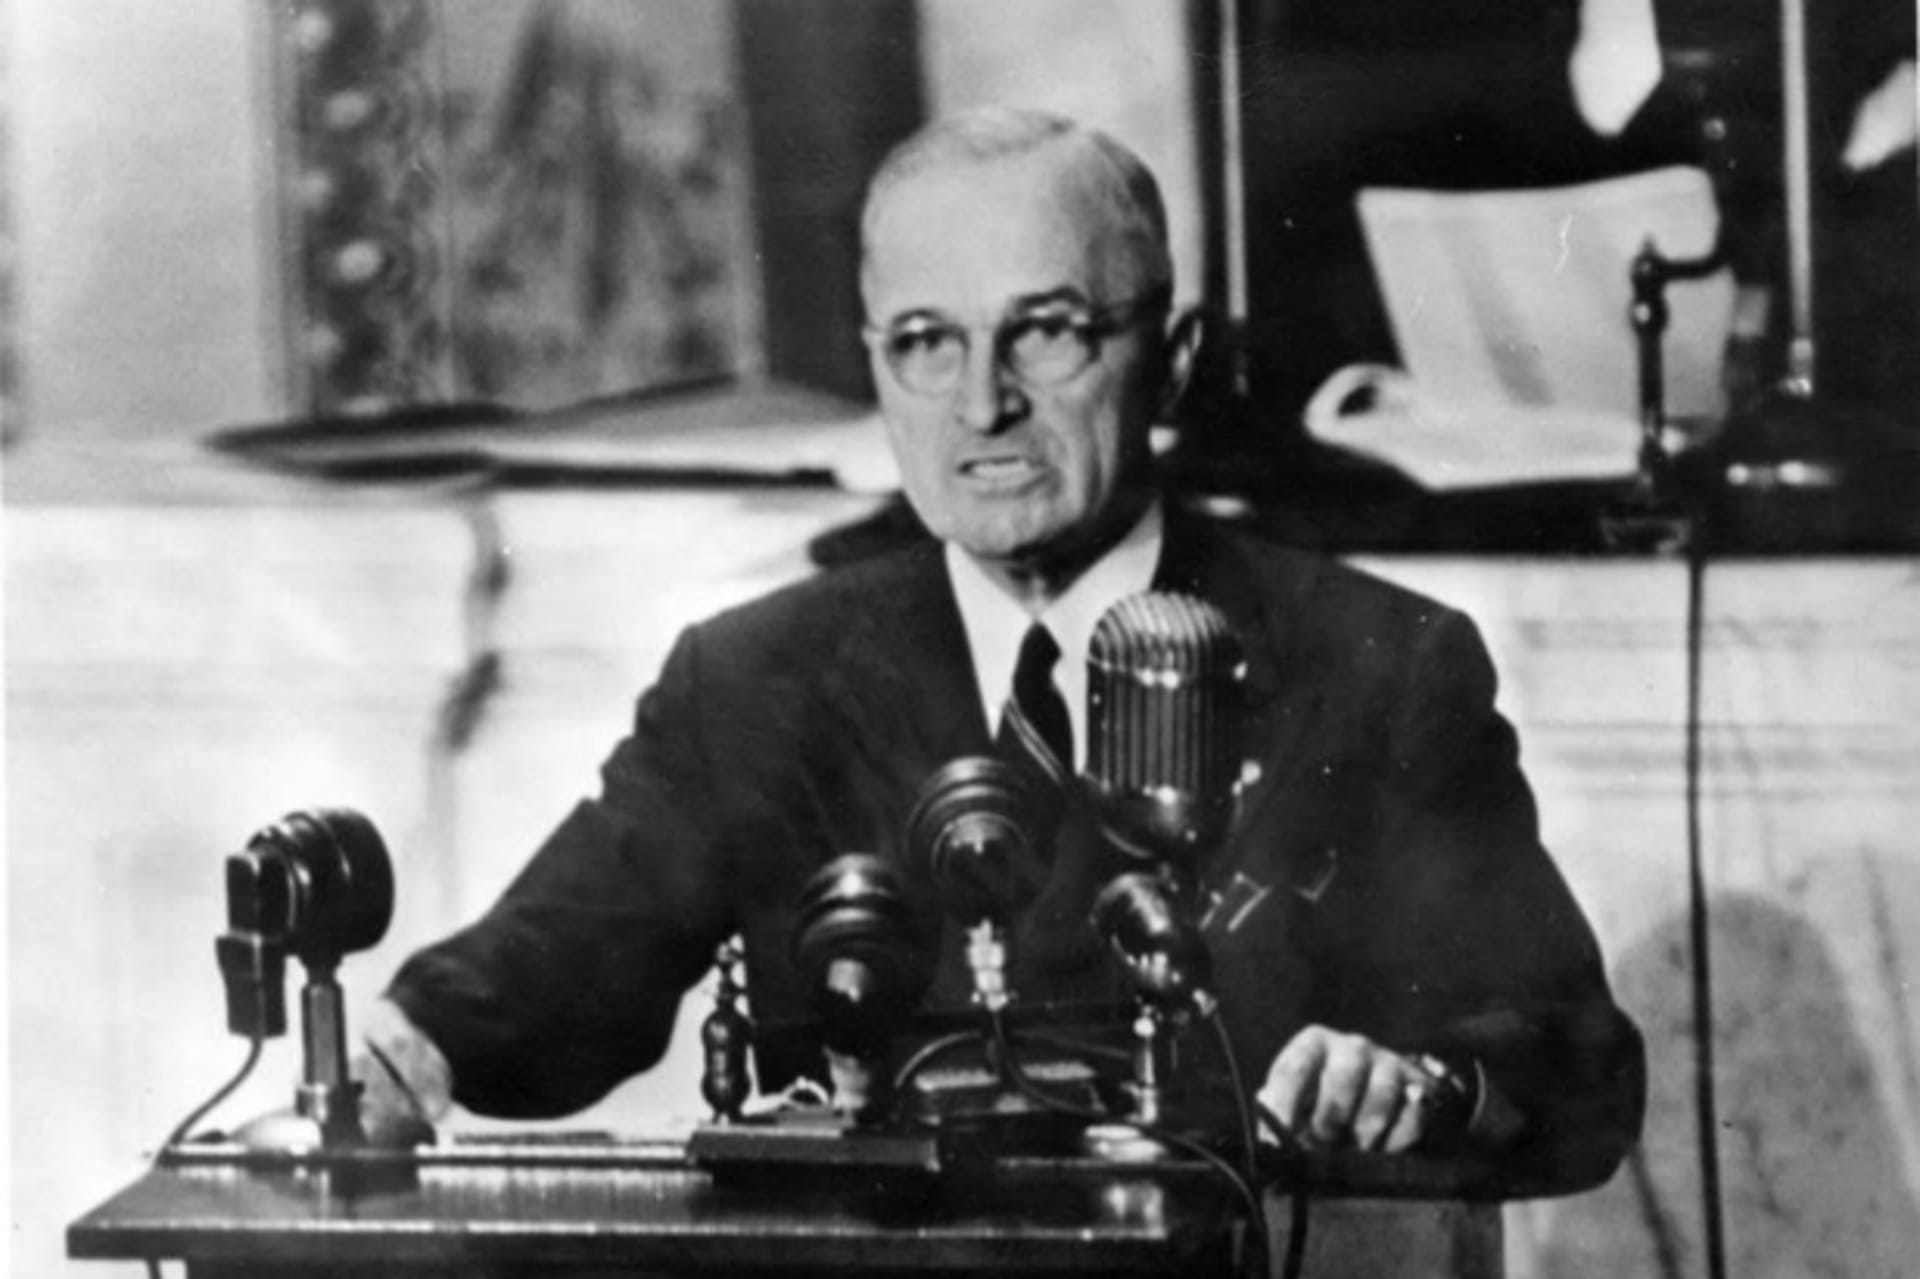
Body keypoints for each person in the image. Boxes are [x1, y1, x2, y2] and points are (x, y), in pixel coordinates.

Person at [362, 107, 1644, 1186]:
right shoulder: (756, 679)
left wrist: (1413, 1082)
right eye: (927, 343)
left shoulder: (1373, 664)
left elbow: (1573, 1061)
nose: (983, 402)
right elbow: (560, 969)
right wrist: (405, 1051)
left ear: (1173, 358)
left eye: (1048, 329)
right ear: (877, 365)